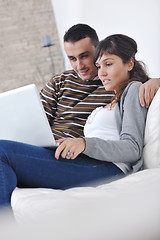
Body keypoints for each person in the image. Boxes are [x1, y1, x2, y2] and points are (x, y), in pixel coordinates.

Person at [0, 24, 158, 208]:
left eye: (86, 56)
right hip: (70, 155)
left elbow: (132, 148)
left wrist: (83, 143)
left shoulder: (131, 89)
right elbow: (35, 118)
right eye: (100, 66)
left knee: (2, 151)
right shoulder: (107, 92)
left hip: (104, 165)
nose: (100, 72)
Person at [40, 23, 160, 140]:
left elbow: (138, 81)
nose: (79, 65)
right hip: (48, 146)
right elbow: (37, 120)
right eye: (72, 58)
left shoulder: (116, 84)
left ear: (98, 50)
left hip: (76, 151)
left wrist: (157, 82)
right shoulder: (59, 81)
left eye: (84, 56)